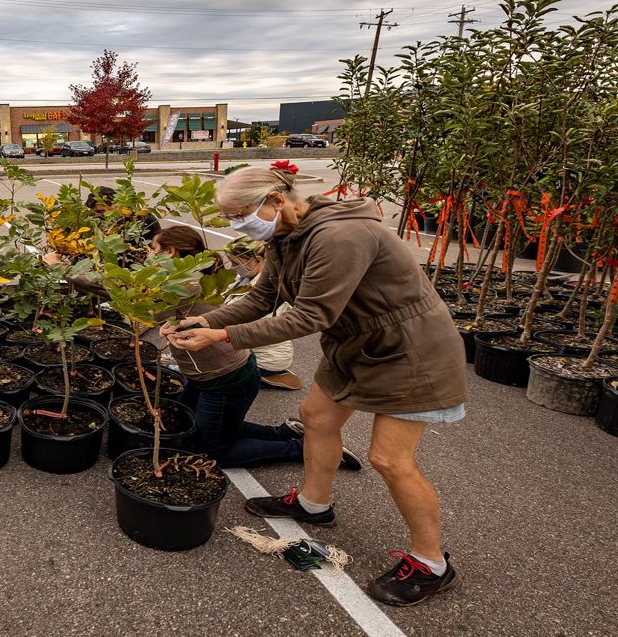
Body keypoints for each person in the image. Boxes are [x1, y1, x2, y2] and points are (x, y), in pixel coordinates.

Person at [163, 162, 467, 607]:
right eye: (227, 218)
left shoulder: (338, 237)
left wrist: (222, 335)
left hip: (410, 352)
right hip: (355, 345)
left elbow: (310, 316)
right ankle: (313, 504)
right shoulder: (287, 237)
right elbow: (264, 297)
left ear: (276, 199)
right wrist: (205, 319)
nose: (234, 225)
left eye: (238, 213)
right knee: (315, 417)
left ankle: (431, 563)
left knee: (389, 458)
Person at [144, 226, 362, 468]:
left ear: (171, 252)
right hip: (209, 374)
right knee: (196, 422)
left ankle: (305, 449)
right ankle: (284, 433)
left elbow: (139, 307)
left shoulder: (184, 285)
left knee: (212, 451)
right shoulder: (191, 279)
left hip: (225, 378)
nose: (149, 255)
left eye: (153, 249)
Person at [224, 238, 302, 390]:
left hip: (266, 356)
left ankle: (267, 375)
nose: (232, 268)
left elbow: (255, 329)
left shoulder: (272, 289)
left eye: (236, 263)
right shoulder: (246, 278)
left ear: (258, 260)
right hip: (250, 350)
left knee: (218, 376)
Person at [85, 185, 161, 247]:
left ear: (116, 205)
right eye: (93, 213)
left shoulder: (144, 221)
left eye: (100, 211)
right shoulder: (109, 221)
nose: (97, 216)